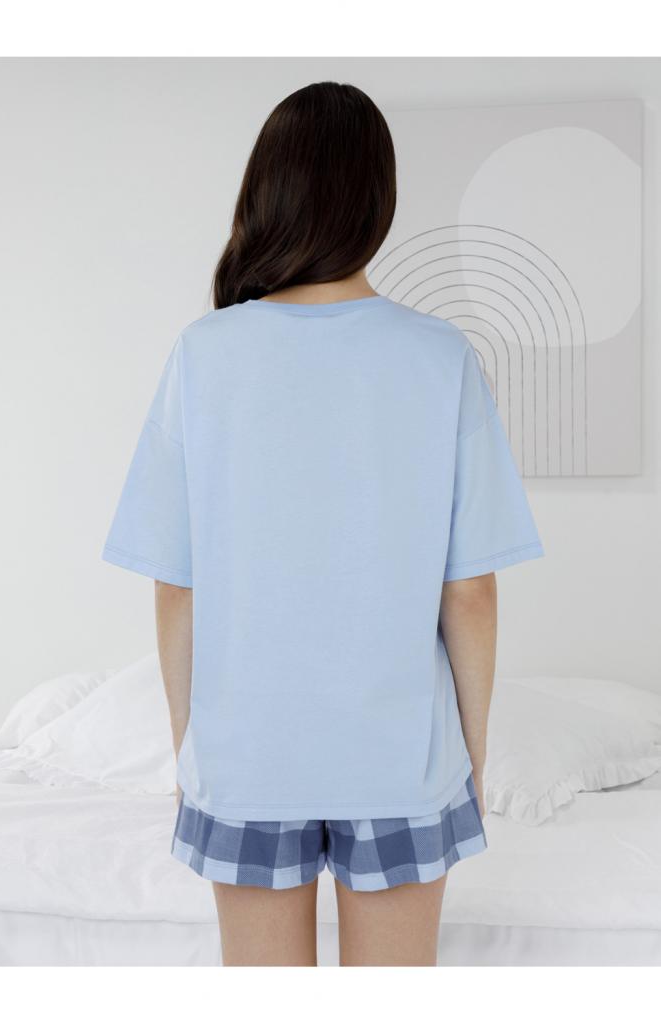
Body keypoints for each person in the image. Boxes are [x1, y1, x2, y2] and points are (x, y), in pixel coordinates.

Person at [101, 81, 544, 967]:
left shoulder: (204, 353)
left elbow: (177, 585)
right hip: (399, 764)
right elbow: (469, 592)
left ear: (265, 192)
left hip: (248, 760)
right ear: (378, 200)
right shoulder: (439, 357)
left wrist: (193, 751)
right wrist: (471, 755)